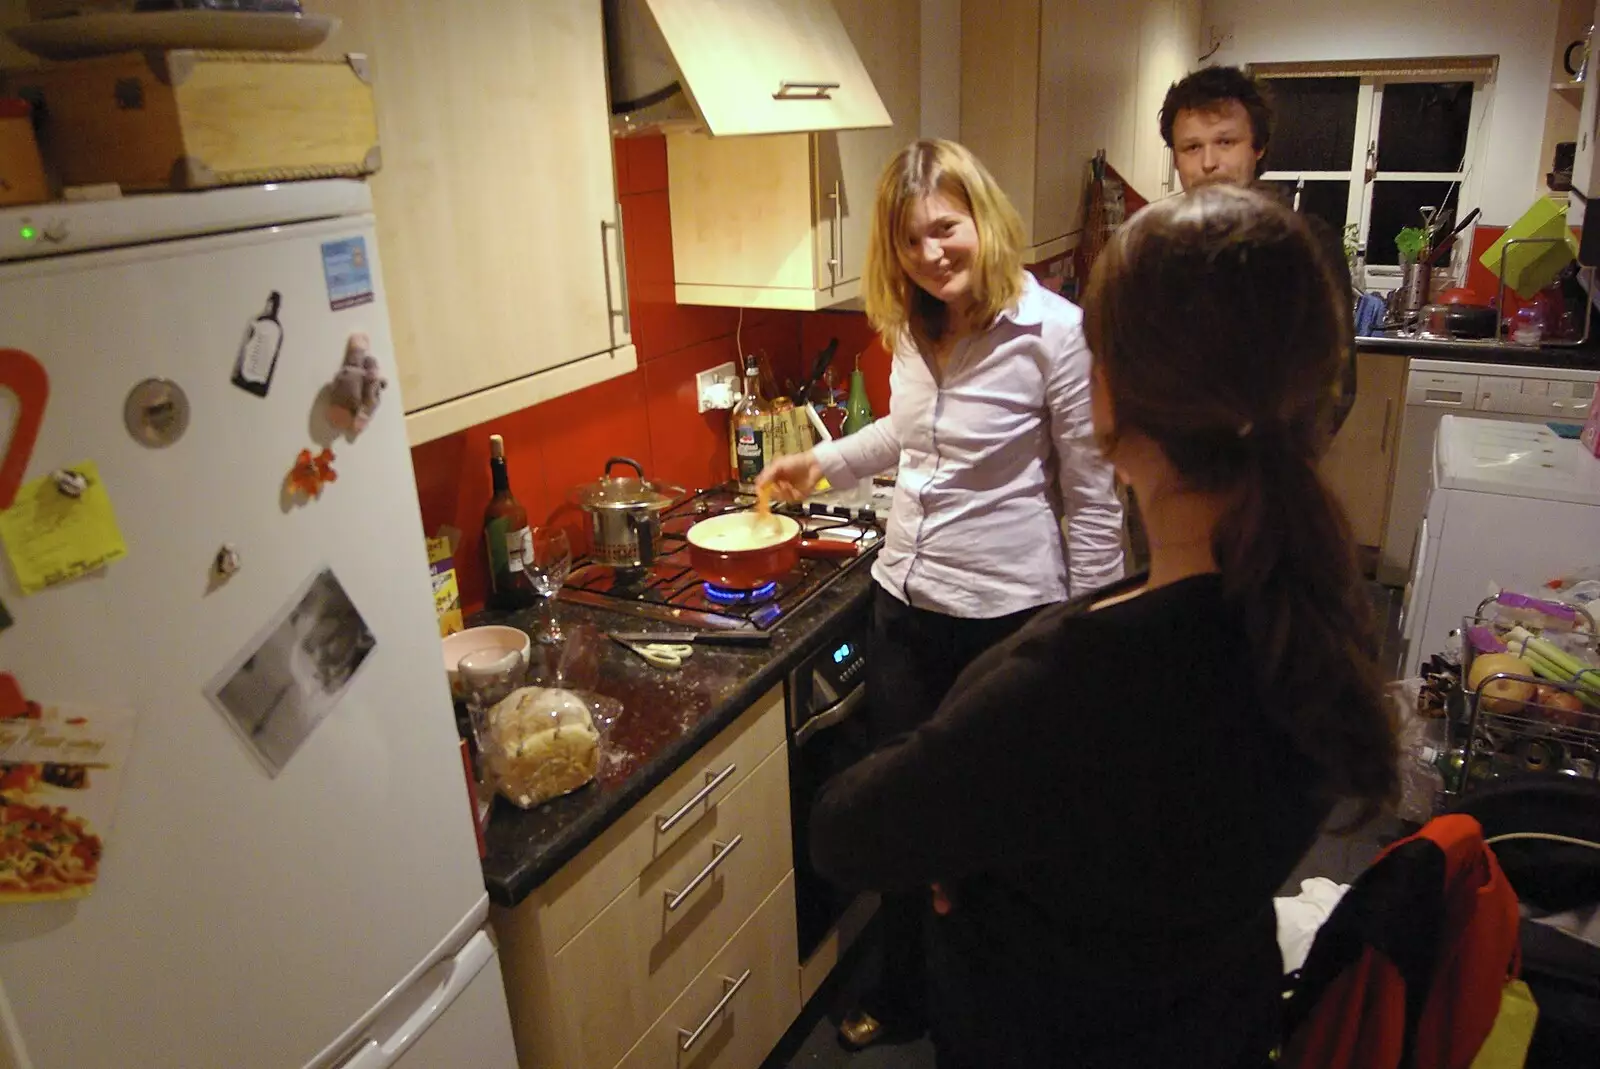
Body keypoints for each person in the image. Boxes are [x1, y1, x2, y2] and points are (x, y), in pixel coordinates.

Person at [808, 186, 1399, 1068]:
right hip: (1215, 1025)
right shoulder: (1315, 606)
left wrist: (968, 852)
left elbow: (847, 830)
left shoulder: (1068, 684)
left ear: (1115, 399)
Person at [758, 138, 1125, 1049]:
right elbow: (909, 437)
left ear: (983, 221)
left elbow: (1091, 498)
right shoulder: (912, 330)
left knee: (996, 836)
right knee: (909, 822)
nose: (931, 253)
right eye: (911, 239)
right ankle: (910, 990)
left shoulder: (1056, 335)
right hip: (905, 611)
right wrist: (824, 463)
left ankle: (997, 1012)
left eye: (945, 229)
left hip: (1007, 620)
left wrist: (1099, 642)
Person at [1159, 64, 1359, 435]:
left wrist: (1279, 470)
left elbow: (1336, 385)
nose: (1208, 163)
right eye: (1191, 147)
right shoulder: (1160, 250)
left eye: (1225, 142)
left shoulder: (1306, 245)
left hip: (1268, 475)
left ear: (1258, 147)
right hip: (1170, 477)